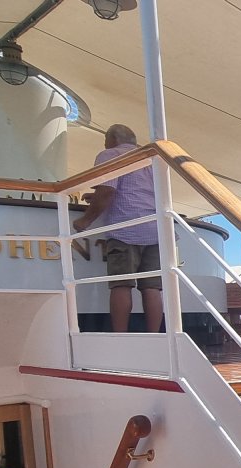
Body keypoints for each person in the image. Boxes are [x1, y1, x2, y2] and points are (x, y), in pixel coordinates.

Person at [72, 124, 161, 333]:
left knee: (121, 284)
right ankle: (156, 337)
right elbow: (137, 191)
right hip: (156, 228)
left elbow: (107, 191)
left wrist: (85, 220)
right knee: (152, 287)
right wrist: (96, 196)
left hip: (125, 228)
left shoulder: (110, 154)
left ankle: (120, 336)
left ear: (112, 139)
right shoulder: (150, 159)